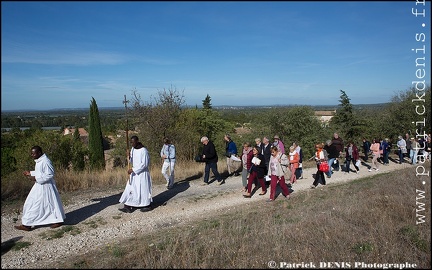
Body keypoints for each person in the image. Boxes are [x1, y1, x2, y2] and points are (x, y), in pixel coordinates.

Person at [14, 145, 66, 231]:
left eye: (33, 153)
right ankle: (28, 224)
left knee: (40, 204)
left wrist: (36, 178)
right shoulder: (40, 161)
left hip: (46, 186)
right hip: (40, 185)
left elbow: (50, 174)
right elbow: (41, 172)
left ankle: (56, 220)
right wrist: (30, 173)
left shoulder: (45, 161)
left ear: (39, 153)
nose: (32, 155)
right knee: (34, 203)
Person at [119, 136, 153, 213]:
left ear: (137, 141)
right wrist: (129, 156)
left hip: (142, 174)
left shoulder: (143, 150)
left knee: (143, 190)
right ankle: (127, 205)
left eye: (133, 142)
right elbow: (131, 161)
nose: (132, 143)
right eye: (131, 142)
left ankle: (147, 205)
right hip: (134, 174)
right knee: (130, 188)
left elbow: (144, 164)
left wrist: (133, 170)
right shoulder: (133, 149)